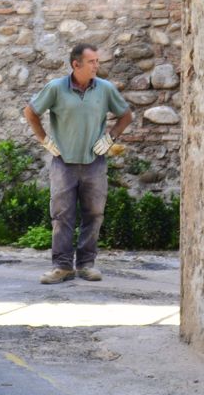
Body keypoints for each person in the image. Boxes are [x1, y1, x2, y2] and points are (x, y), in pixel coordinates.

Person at [22, 43, 133, 284]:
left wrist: (110, 137)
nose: (97, 66)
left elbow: (126, 115)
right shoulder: (55, 88)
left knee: (94, 214)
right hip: (63, 162)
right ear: (76, 65)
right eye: (92, 62)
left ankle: (86, 265)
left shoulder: (105, 89)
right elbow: (30, 112)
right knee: (62, 215)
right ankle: (62, 267)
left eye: (97, 61)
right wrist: (44, 140)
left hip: (95, 162)